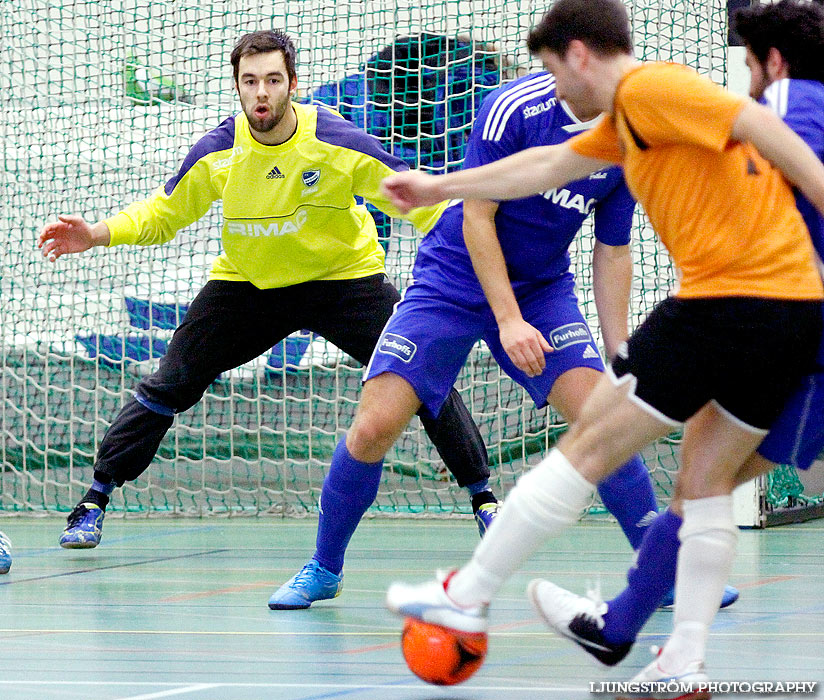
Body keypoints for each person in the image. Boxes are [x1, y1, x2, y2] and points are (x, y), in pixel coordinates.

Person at [382, 0, 824, 693]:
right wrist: (438, 186)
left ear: (581, 54)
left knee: (584, 447)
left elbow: (759, 123)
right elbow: (542, 167)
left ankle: (466, 594)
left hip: (724, 303)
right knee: (704, 486)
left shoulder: (652, 88)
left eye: (554, 70)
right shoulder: (626, 125)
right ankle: (683, 659)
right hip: (793, 315)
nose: (554, 87)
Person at [36, 30, 496, 555]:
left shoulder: (336, 140)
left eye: (272, 81)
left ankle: (484, 499)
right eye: (249, 81)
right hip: (248, 286)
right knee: (172, 382)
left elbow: (418, 200)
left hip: (343, 282)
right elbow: (164, 213)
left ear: (291, 85)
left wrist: (475, 250)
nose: (261, 93)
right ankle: (95, 500)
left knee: (420, 374)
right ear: (237, 87)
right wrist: (95, 233)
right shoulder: (218, 151)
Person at [270, 65, 709, 610]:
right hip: (452, 278)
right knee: (373, 427)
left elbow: (613, 248)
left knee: (606, 418)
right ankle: (324, 567)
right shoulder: (514, 108)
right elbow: (478, 215)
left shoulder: (626, 136)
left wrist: (620, 351)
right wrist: (507, 320)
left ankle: (659, 572)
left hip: (540, 289)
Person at [529, 0, 824, 667]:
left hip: (801, 345)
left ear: (773, 65)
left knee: (702, 484)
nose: (746, 83)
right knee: (700, 480)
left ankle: (647, 638)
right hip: (781, 328)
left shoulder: (785, 110)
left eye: (748, 67)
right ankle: (642, 637)